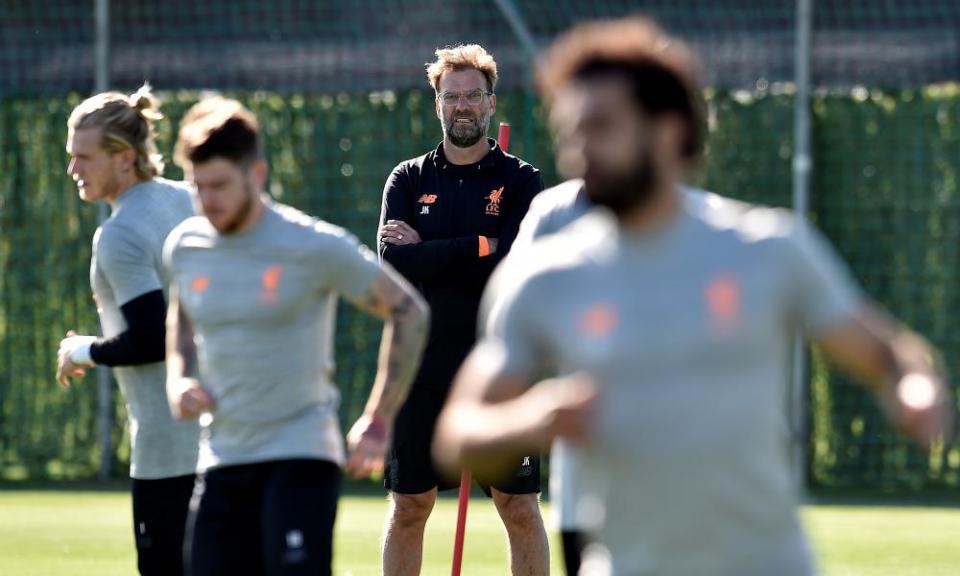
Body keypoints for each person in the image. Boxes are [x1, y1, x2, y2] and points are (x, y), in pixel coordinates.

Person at [434, 17, 953, 576]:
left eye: (602, 128)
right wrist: (536, 419)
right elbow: (461, 432)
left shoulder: (766, 249)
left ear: (668, 130)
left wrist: (916, 391)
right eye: (570, 132)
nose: (582, 151)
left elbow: (888, 353)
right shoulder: (545, 277)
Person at [164, 97, 429, 576]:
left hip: (301, 455)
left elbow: (409, 311)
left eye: (220, 185)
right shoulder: (185, 245)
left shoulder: (313, 245)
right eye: (198, 187)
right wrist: (179, 378)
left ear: (257, 174)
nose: (209, 201)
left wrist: (378, 418)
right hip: (222, 457)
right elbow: (180, 318)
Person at [377, 44, 547, 575]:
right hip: (420, 367)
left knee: (517, 506)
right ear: (438, 106)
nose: (463, 106)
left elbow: (514, 268)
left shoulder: (521, 181)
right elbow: (392, 263)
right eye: (452, 97)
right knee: (410, 506)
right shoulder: (407, 179)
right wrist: (477, 245)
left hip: (499, 367)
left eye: (473, 95)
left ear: (491, 104)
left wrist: (428, 251)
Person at [56, 84, 200, 576]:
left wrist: (81, 351)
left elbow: (149, 338)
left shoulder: (118, 234)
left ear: (125, 158)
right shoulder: (192, 198)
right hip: (229, 439)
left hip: (169, 451)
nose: (73, 169)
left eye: (84, 157)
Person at [510, 179, 594, 576]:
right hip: (588, 487)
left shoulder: (751, 238)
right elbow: (505, 346)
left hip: (687, 488)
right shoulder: (554, 214)